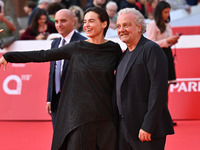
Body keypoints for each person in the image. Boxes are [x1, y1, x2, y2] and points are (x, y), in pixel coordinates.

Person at [0, 7, 122, 150]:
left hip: (106, 118)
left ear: (104, 24)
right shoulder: (76, 47)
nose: (87, 25)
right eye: (85, 21)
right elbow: (43, 55)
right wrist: (9, 56)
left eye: (91, 21)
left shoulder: (113, 50)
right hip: (80, 118)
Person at [115, 7, 174, 150]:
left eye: (126, 25)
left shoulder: (151, 49)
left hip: (146, 131)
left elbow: (158, 90)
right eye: (118, 26)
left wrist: (148, 126)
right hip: (125, 130)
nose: (121, 29)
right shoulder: (124, 54)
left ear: (139, 27)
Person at [46, 9, 86, 129]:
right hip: (56, 100)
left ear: (73, 21)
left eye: (63, 21)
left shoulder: (83, 42)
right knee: (58, 136)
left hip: (75, 100)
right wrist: (49, 98)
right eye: (57, 21)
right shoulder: (55, 43)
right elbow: (52, 73)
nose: (59, 25)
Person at [147, 1, 181, 126]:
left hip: (167, 55)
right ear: (159, 11)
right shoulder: (152, 24)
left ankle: (165, 118)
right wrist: (167, 40)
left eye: (168, 12)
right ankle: (158, 118)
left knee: (166, 89)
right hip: (157, 57)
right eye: (165, 12)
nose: (167, 15)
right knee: (158, 89)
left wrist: (172, 40)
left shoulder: (168, 24)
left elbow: (166, 41)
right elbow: (150, 43)